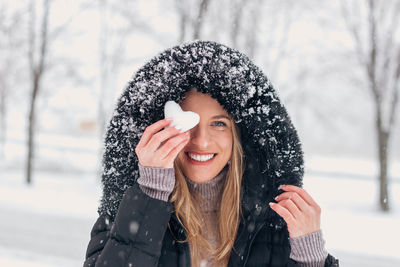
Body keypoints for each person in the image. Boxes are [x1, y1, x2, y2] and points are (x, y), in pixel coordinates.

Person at [83, 41, 339, 267]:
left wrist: (310, 258)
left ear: (239, 138)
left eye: (219, 124)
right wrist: (151, 193)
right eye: (188, 123)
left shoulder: (272, 222)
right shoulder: (126, 211)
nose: (201, 141)